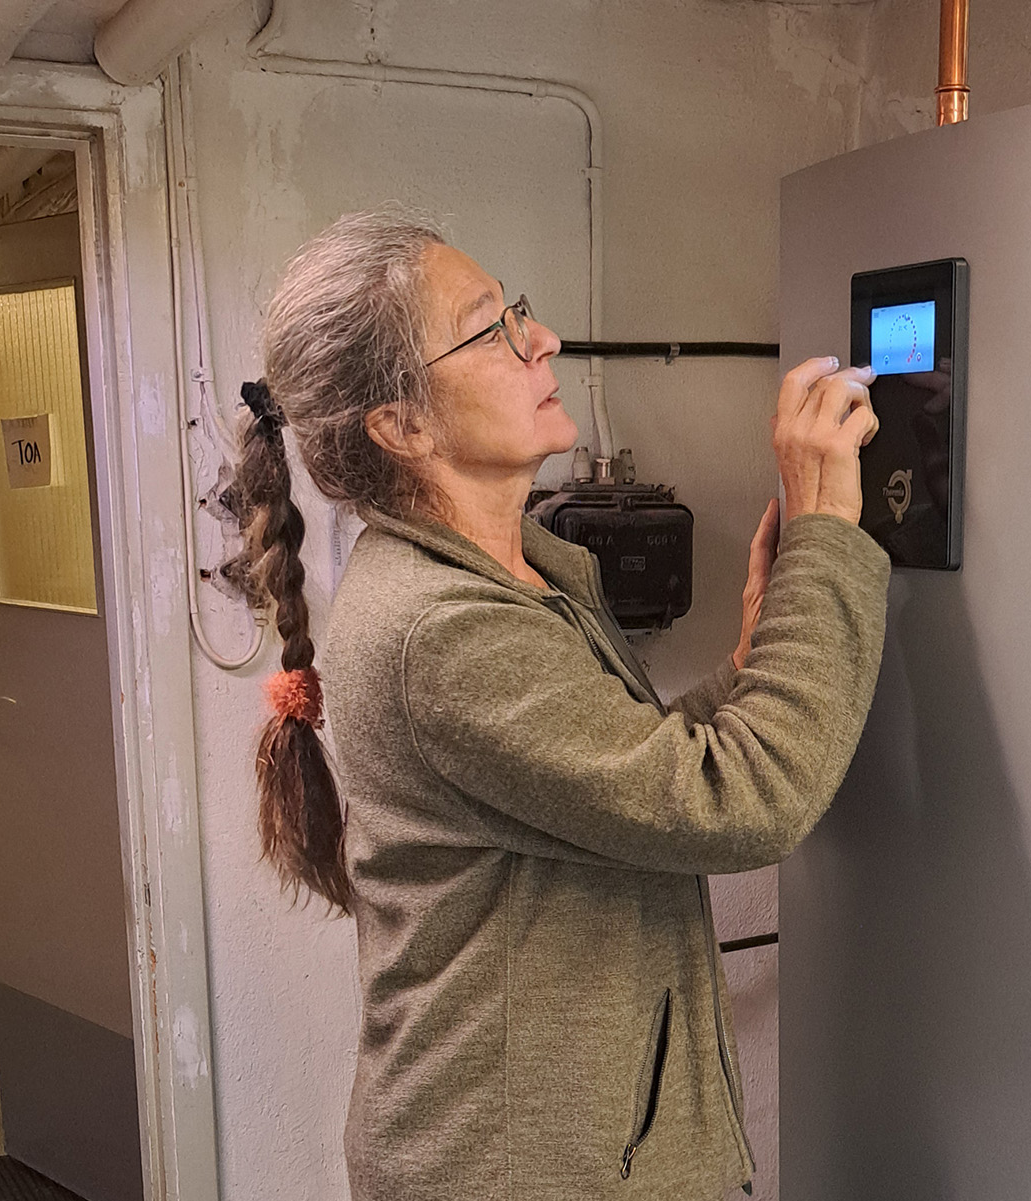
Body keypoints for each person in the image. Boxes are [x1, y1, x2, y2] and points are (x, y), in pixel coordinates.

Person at [233, 208, 890, 1200]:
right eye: (489, 326)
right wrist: (829, 527)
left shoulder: (517, 571)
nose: (540, 339)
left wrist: (760, 644)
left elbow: (631, 765)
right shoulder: (444, 631)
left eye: (518, 313)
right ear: (400, 425)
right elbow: (740, 801)